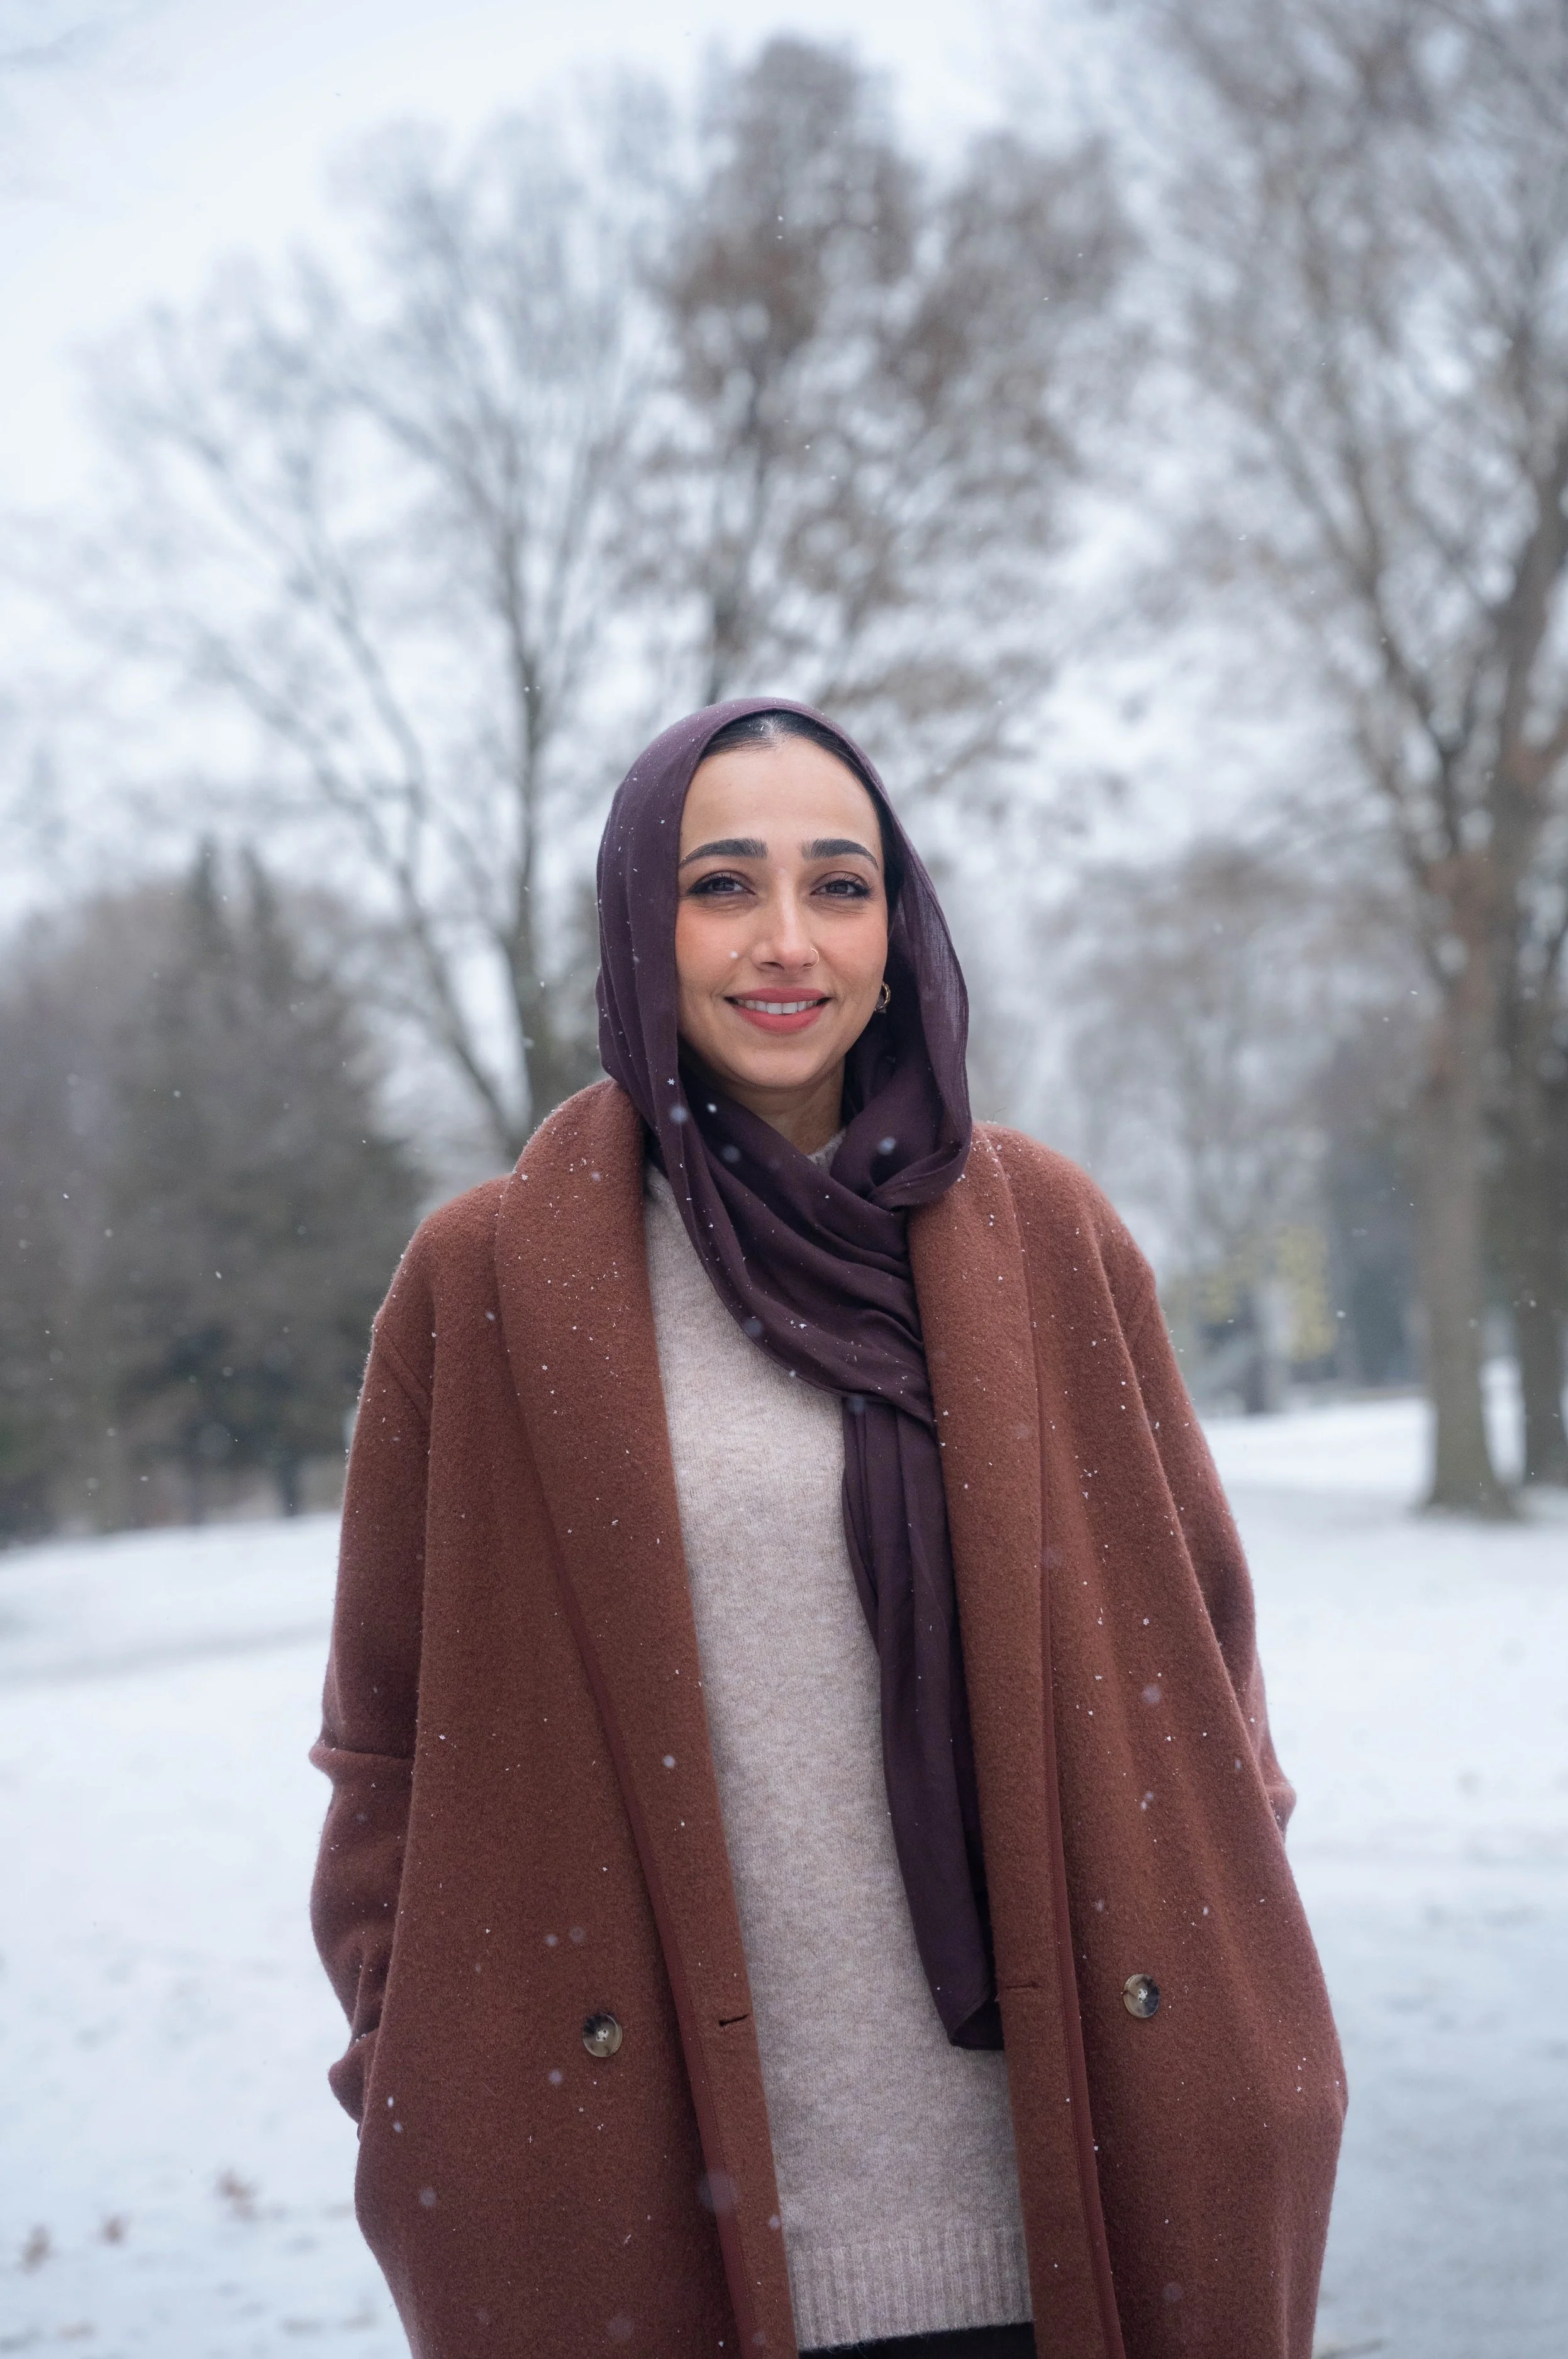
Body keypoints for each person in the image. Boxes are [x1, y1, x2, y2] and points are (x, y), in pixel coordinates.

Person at [309, 698, 1345, 2359]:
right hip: (639, 2220)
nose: (784, 938)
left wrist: (1215, 1975)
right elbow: (384, 1750)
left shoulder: (1049, 1239)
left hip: (1082, 2197)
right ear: (642, 922)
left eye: (837, 884)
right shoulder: (488, 1282)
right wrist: (423, 2059)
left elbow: (1205, 1676)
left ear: (896, 923)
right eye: (722, 884)